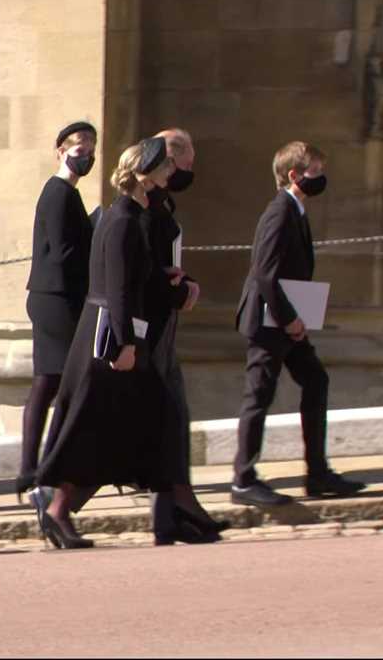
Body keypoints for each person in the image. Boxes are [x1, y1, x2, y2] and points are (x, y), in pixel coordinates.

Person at [33, 137, 177, 549]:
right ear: (145, 175)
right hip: (108, 341)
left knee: (113, 433)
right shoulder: (121, 221)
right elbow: (117, 291)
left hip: (114, 334)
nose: (169, 176)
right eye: (163, 169)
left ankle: (63, 511)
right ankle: (57, 509)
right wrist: (125, 345)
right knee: (95, 431)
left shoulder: (132, 216)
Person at [230, 141, 367, 507]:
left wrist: (295, 319)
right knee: (258, 396)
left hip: (286, 320)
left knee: (315, 379)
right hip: (269, 321)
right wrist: (291, 320)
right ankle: (243, 479)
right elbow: (265, 275)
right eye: (315, 172)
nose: (321, 179)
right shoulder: (278, 212)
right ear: (294, 175)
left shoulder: (296, 210)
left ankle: (317, 474)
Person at [139, 128, 228, 543]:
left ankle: (170, 515)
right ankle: (58, 505)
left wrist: (183, 282)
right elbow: (141, 271)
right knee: (165, 418)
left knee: (170, 420)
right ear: (169, 162)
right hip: (148, 331)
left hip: (164, 326)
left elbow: (163, 264)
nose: (191, 174)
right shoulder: (144, 207)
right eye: (187, 166)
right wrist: (177, 289)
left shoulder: (164, 203)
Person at [16, 121, 97, 500]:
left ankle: (33, 469)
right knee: (61, 383)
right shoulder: (59, 192)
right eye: (80, 148)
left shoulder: (65, 193)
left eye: (91, 149)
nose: (87, 156)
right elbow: (65, 253)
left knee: (48, 382)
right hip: (57, 299)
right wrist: (96, 236)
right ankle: (44, 467)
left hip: (52, 296)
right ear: (61, 151)